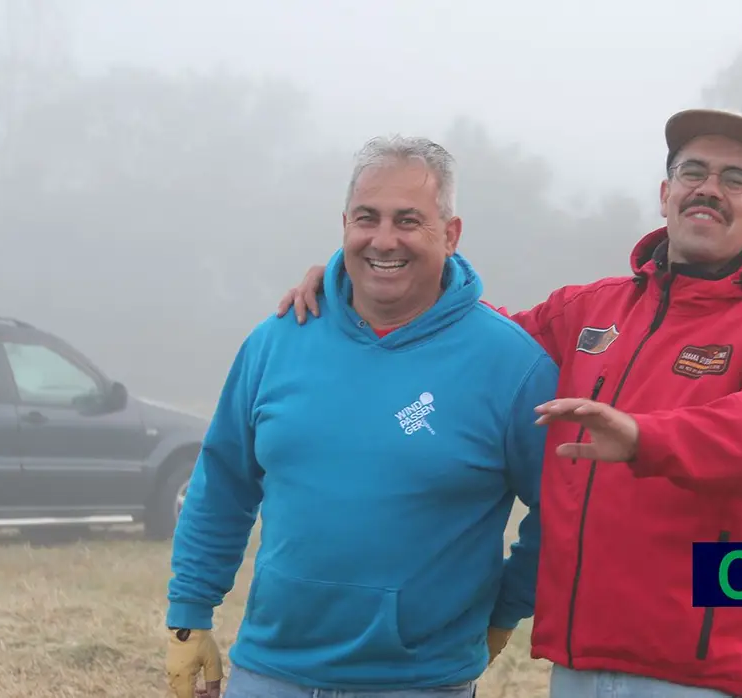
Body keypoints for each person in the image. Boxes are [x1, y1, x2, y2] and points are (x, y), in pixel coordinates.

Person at [273, 109, 742, 698]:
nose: (708, 188)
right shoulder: (589, 311)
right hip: (575, 665)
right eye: (692, 171)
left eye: (735, 179)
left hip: (700, 675)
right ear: (665, 193)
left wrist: (644, 438)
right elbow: (468, 342)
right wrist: (363, 284)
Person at [164, 135, 559, 698]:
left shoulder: (511, 366)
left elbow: (561, 507)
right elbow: (222, 483)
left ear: (450, 234)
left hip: (421, 683)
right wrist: (189, 610)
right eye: (367, 218)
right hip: (268, 672)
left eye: (408, 221)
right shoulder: (276, 341)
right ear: (344, 223)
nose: (383, 240)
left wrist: (506, 609)